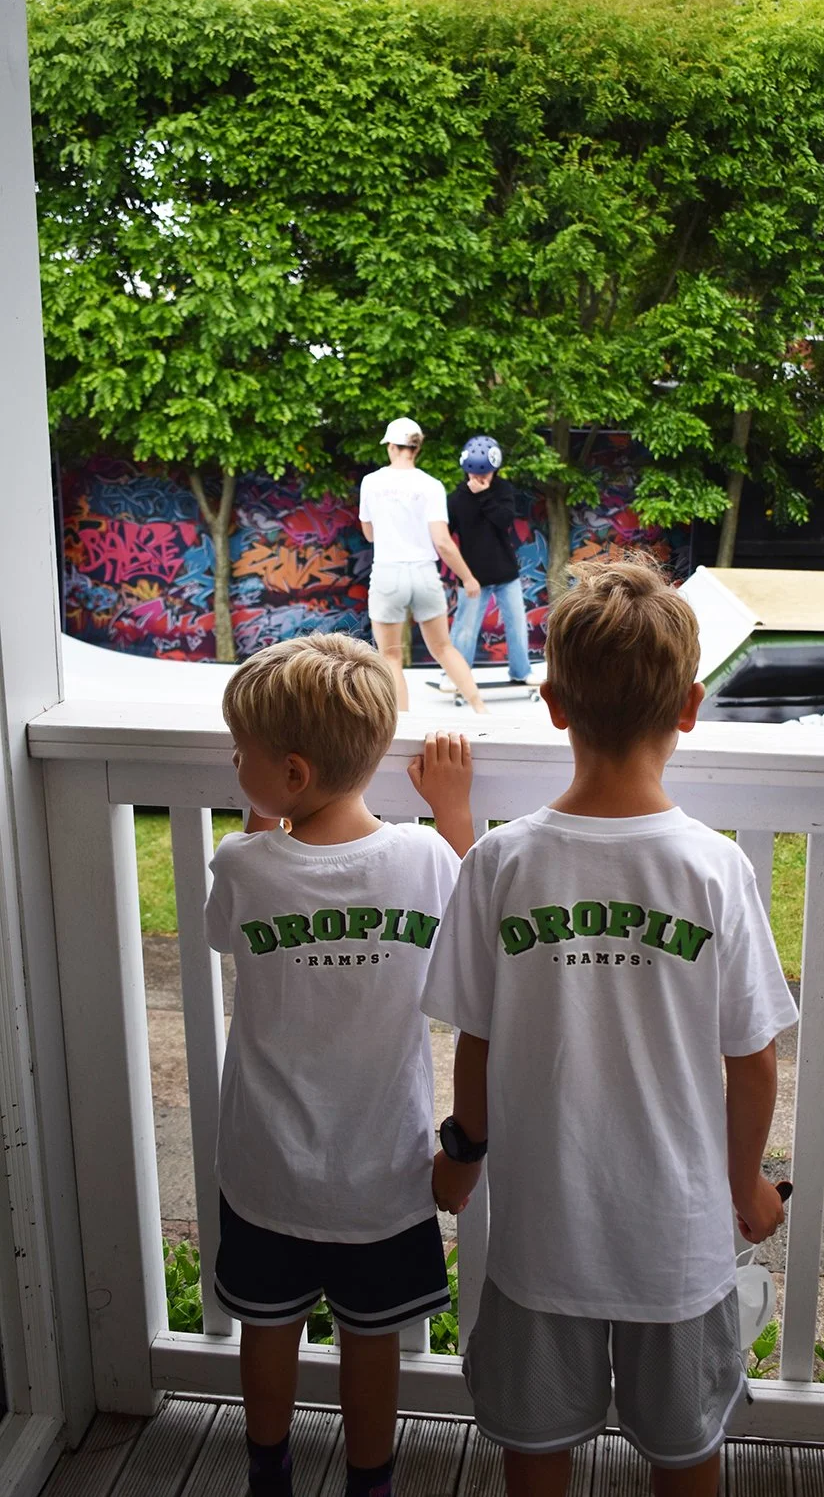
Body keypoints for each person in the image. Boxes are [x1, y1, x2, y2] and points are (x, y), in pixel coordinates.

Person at [421, 559, 799, 1497]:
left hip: (540, 1236)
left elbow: (477, 1041)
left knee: (534, 1447)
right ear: (690, 706)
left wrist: (462, 1157)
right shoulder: (714, 871)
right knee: (687, 1453)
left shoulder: (501, 863)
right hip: (680, 1238)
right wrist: (744, 1182)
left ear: (553, 705)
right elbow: (751, 1060)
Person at [204, 630, 475, 1497]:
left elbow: (223, 930)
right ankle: (370, 1483)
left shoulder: (246, 865)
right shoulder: (425, 858)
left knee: (268, 1329)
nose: (231, 761)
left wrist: (263, 819)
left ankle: (268, 1472)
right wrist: (456, 812)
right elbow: (476, 933)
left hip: (267, 1171)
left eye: (240, 752)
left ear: (290, 775)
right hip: (383, 1172)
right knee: (372, 1341)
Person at [359, 416, 487, 713]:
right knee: (443, 648)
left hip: (388, 572)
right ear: (416, 449)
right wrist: (468, 578)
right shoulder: (431, 485)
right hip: (424, 574)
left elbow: (369, 533)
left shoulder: (371, 482)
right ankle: (480, 709)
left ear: (392, 446)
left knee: (391, 657)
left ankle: (403, 724)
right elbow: (442, 541)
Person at [446, 436, 532, 684]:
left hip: (506, 574)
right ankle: (456, 676)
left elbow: (504, 520)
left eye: (487, 475)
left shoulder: (502, 489)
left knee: (517, 624)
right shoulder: (457, 498)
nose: (482, 479)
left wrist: (484, 496)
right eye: (476, 475)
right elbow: (445, 534)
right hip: (473, 577)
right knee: (465, 629)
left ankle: (521, 672)